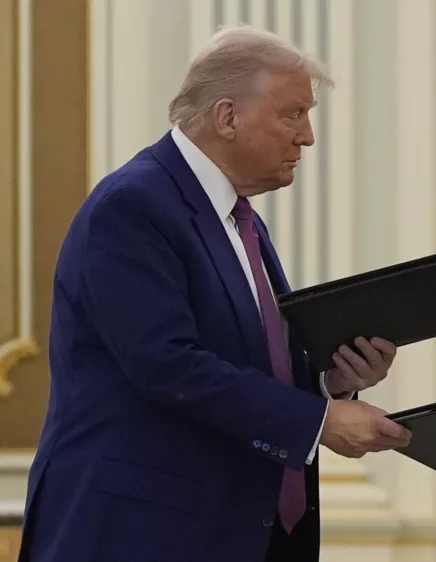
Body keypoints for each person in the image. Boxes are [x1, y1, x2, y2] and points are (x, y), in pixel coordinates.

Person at [18, 25, 411, 562]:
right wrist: (317, 422)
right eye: (293, 114)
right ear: (227, 117)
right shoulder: (131, 206)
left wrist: (330, 382)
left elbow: (243, 359)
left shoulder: (237, 217)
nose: (307, 137)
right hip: (143, 534)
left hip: (241, 532)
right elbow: (166, 365)